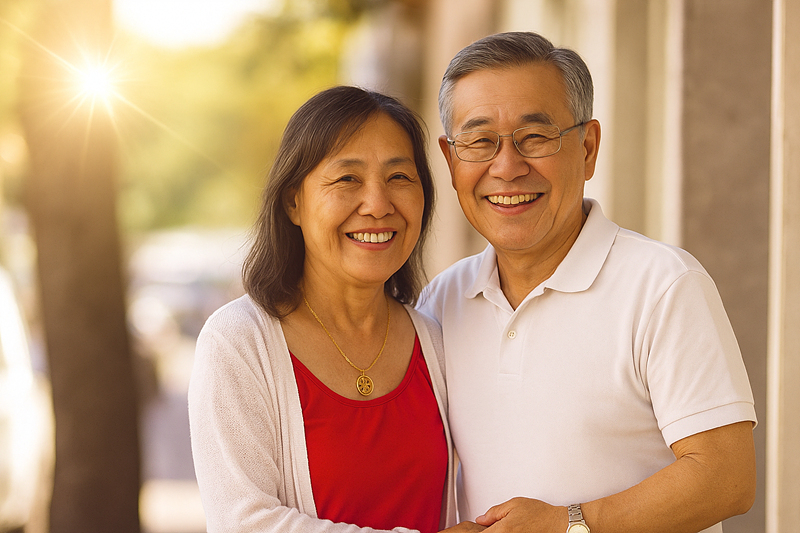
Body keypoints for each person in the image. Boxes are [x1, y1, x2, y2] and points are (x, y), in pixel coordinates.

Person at [418, 32, 757, 533]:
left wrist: (570, 524)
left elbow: (727, 477)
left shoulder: (662, 285)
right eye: (480, 142)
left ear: (588, 147)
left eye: (535, 136)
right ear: (451, 161)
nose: (507, 167)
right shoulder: (441, 300)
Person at [188, 86, 458, 533]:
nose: (378, 205)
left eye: (399, 177)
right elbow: (245, 524)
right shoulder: (238, 343)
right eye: (347, 179)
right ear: (293, 201)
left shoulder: (438, 340)